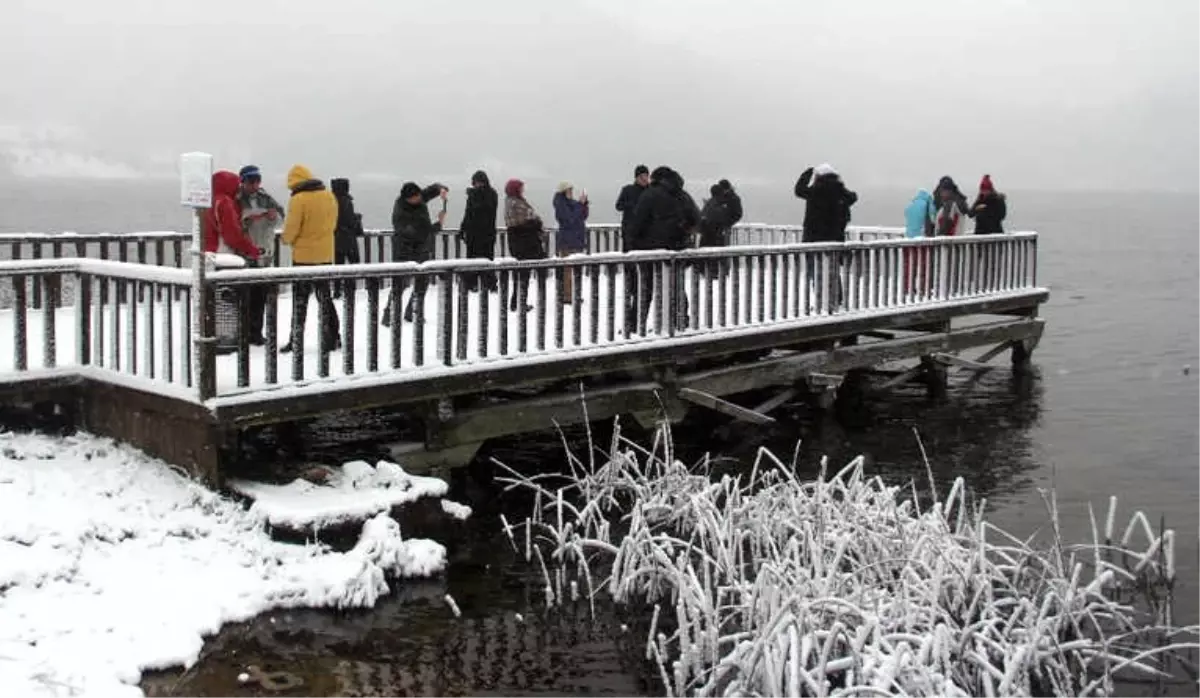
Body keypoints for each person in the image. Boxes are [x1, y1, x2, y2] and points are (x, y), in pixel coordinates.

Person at [628, 166, 700, 332]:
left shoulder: (650, 194)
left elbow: (637, 223)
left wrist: (634, 244)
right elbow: (696, 218)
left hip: (651, 251)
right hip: (677, 250)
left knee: (645, 289)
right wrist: (681, 231)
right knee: (676, 287)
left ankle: (635, 325)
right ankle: (680, 320)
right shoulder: (683, 195)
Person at [279, 164, 340, 353]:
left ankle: (295, 340)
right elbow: (334, 224)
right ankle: (333, 337)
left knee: (300, 302)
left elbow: (291, 228)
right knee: (325, 299)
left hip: (304, 258)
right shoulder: (329, 196)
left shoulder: (299, 199)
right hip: (325, 256)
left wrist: (285, 239)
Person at [794, 163, 857, 310]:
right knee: (833, 271)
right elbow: (852, 197)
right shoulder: (840, 192)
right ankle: (837, 299)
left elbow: (799, 190)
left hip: (813, 239)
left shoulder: (816, 191)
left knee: (815, 271)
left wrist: (807, 172)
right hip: (835, 239)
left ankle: (823, 300)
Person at [388, 181, 448, 324]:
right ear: (408, 198)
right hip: (404, 251)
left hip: (421, 250)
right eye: (417, 197)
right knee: (399, 284)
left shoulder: (418, 199)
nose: (420, 199)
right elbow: (418, 233)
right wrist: (438, 224)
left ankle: (413, 312)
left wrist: (441, 190)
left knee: (422, 282)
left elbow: (433, 188)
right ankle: (389, 314)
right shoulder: (400, 214)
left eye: (420, 196)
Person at [236, 165, 284, 344]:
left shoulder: (266, 198)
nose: (255, 185)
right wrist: (247, 220)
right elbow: (233, 222)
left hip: (264, 251)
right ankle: (243, 332)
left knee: (260, 295)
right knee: (244, 295)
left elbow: (281, 215)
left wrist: (272, 217)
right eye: (251, 181)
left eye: (257, 181)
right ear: (243, 181)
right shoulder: (237, 199)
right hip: (245, 252)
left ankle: (256, 332)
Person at [503, 178, 547, 312]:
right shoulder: (515, 203)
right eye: (521, 187)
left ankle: (517, 302)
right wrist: (536, 224)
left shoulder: (513, 202)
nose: (523, 189)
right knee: (525, 273)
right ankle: (520, 302)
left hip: (522, 242)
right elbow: (521, 223)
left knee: (522, 273)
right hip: (524, 243)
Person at [459, 170, 499, 292]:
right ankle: (472, 284)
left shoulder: (491, 194)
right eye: (475, 183)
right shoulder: (473, 195)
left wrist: (475, 193)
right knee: (472, 259)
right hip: (473, 234)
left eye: (479, 183)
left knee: (486, 259)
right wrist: (462, 228)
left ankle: (489, 284)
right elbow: (468, 213)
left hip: (486, 234)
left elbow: (484, 209)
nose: (478, 185)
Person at [552, 181, 589, 303]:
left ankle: (574, 294)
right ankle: (567, 296)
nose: (571, 192)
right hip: (567, 241)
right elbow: (570, 219)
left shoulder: (571, 203)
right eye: (569, 190)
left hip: (576, 239)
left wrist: (584, 204)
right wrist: (580, 205)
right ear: (564, 191)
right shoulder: (560, 204)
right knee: (567, 270)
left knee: (576, 270)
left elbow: (582, 216)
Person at [330, 178, 363, 299]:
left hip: (336, 238)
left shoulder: (331, 200)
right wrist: (357, 219)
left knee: (339, 265)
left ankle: (337, 290)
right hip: (348, 238)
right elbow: (349, 220)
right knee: (353, 264)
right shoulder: (346, 201)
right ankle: (350, 289)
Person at [903, 189, 935, 295]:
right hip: (922, 239)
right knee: (924, 265)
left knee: (909, 265)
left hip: (908, 239)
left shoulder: (911, 205)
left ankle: (908, 287)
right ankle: (924, 288)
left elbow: (906, 215)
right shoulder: (928, 204)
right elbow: (933, 219)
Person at [615, 165, 650, 251]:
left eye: (646, 176)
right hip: (629, 231)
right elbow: (618, 206)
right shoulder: (628, 190)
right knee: (629, 259)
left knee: (647, 259)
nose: (644, 179)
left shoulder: (651, 191)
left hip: (647, 232)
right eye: (642, 176)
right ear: (636, 178)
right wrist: (631, 205)